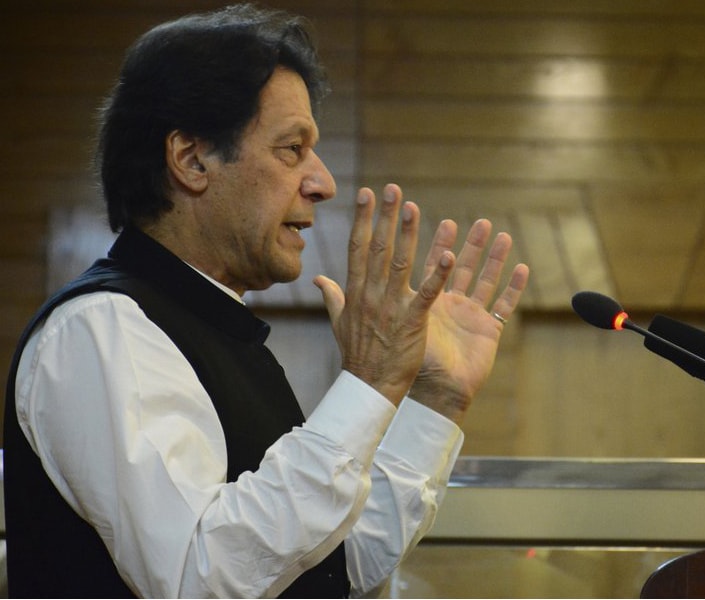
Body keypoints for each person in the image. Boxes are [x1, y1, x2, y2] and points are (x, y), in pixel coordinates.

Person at [2, 4, 529, 598]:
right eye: (291, 148)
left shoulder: (213, 323)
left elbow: (339, 565)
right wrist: (369, 382)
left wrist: (435, 400)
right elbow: (198, 576)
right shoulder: (100, 328)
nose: (323, 182)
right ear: (192, 159)